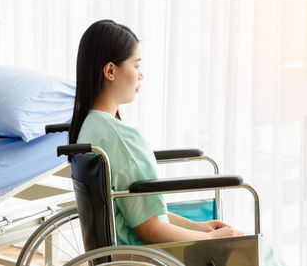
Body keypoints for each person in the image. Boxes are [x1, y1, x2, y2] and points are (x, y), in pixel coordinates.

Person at [69, 19, 244, 246]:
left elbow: (140, 212)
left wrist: (195, 227)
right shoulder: (120, 138)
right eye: (136, 65)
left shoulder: (90, 127)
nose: (141, 75)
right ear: (110, 70)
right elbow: (150, 230)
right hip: (145, 254)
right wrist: (210, 239)